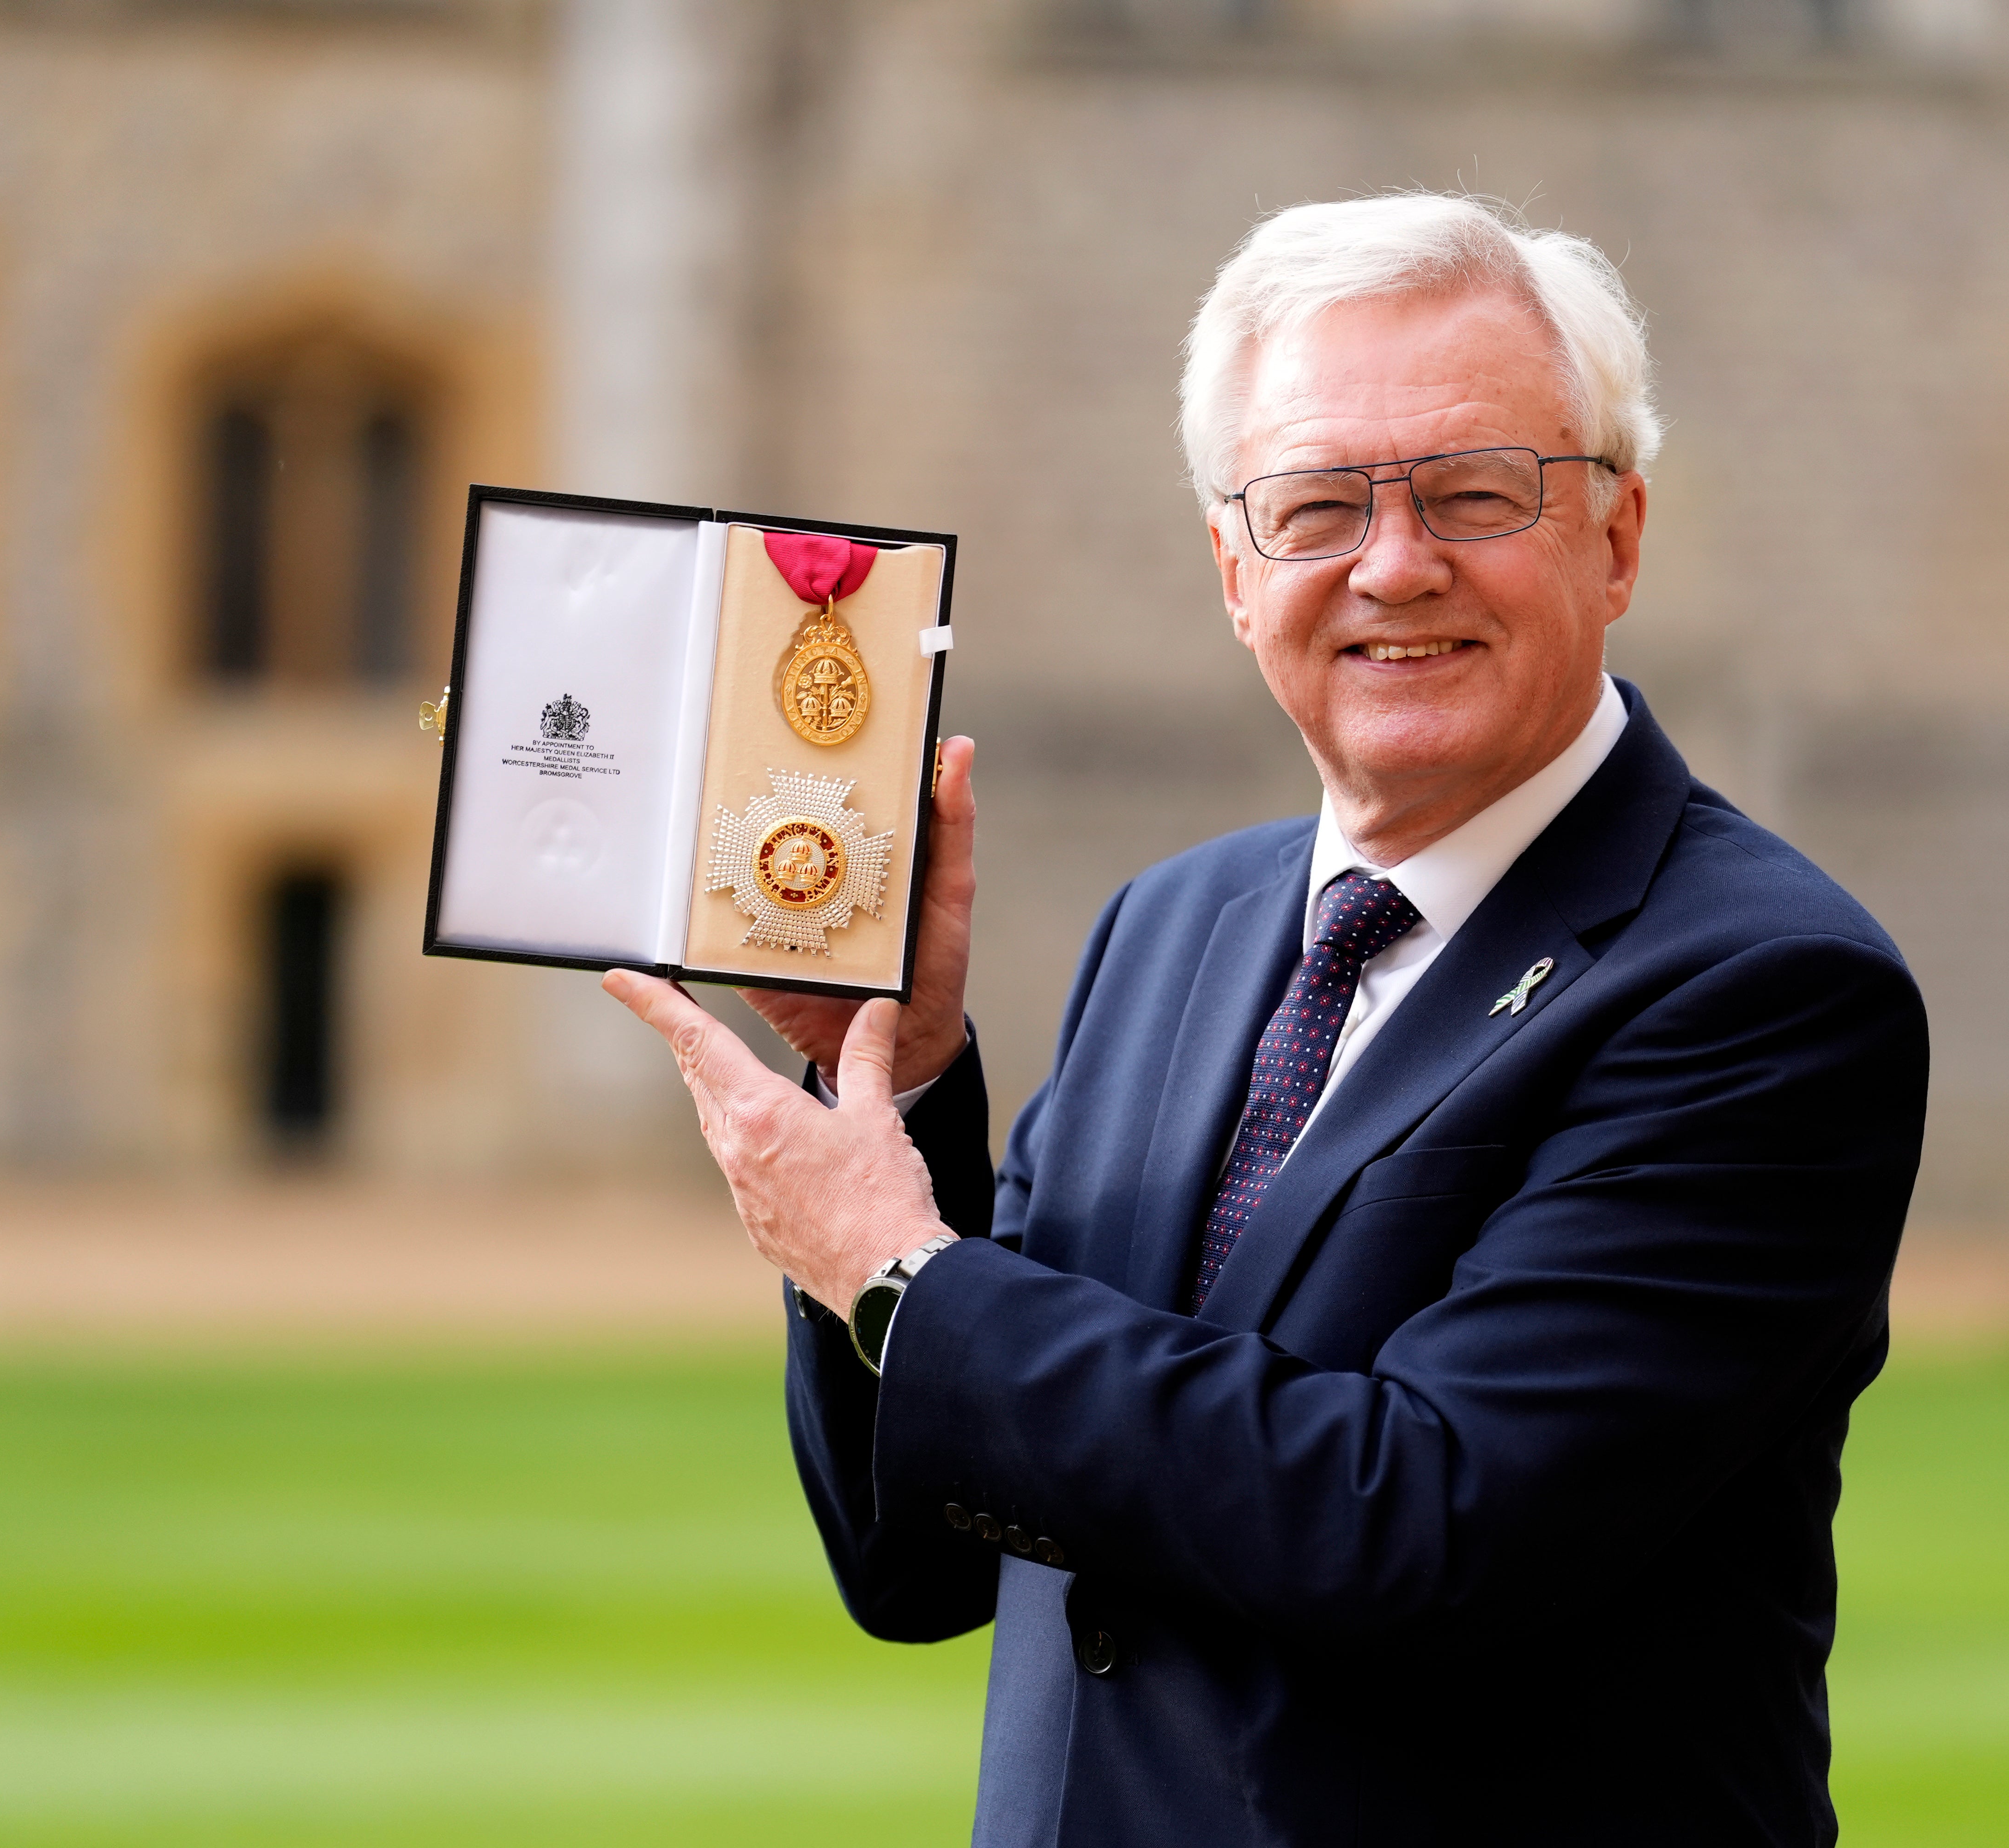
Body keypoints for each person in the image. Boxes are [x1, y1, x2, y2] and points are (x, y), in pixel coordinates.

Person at [606, 193, 1930, 1847]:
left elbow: (1432, 1528)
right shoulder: (1174, 927)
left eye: (1473, 492)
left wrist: (898, 1274)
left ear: (1618, 538)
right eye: (1318, 507)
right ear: (1237, 573)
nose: (1394, 564)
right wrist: (901, 1079)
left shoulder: (1763, 989)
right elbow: (924, 1559)